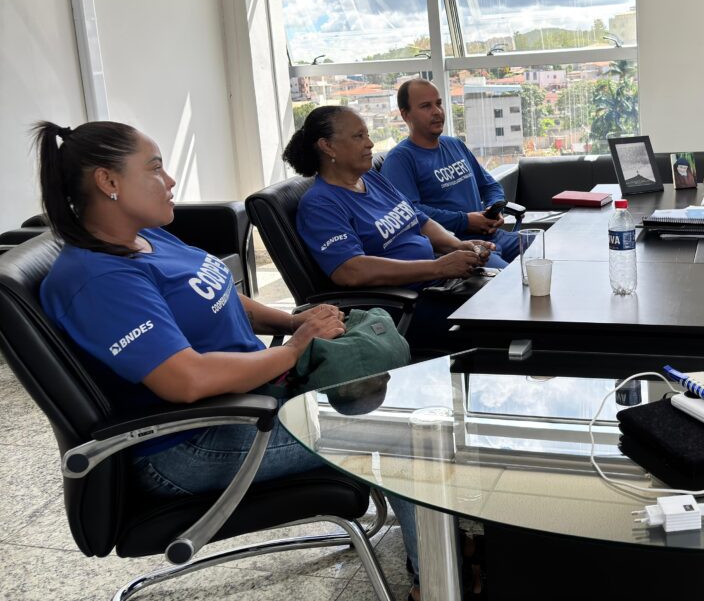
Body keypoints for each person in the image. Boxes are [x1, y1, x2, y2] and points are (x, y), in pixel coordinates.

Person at [31, 120, 423, 597]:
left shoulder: (148, 237)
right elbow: (186, 380)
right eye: (154, 169)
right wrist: (296, 349)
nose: (170, 180)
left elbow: (224, 296)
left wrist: (293, 323)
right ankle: (434, 580)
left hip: (253, 401)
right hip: (193, 443)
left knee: (403, 402)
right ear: (108, 181)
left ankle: (438, 535)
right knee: (405, 434)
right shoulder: (98, 279)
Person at [284, 105, 495, 352]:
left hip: (437, 285)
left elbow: (419, 219)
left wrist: (457, 246)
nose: (370, 143)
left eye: (367, 135)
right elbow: (350, 271)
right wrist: (438, 267)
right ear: (327, 146)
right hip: (401, 308)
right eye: (358, 136)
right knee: (504, 322)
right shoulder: (320, 204)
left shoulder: (371, 178)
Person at [381, 78, 519, 264]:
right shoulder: (399, 160)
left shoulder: (454, 144)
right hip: (457, 249)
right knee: (511, 279)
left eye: (438, 103)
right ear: (406, 115)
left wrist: (494, 208)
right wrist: (465, 221)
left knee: (547, 250)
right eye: (426, 106)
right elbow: (411, 214)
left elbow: (490, 186)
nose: (437, 111)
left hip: (494, 237)